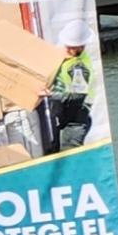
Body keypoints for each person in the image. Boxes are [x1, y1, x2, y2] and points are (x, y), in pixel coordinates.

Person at [46, 20, 96, 150]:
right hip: (68, 119)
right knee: (55, 151)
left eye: (72, 47)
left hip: (75, 121)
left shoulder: (78, 67)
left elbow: (78, 95)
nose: (67, 49)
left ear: (81, 46)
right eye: (67, 45)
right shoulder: (71, 60)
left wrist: (51, 95)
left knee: (70, 158)